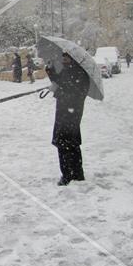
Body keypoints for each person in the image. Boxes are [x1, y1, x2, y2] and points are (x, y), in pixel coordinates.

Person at [45, 52, 90, 186]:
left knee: (66, 145)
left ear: (73, 59)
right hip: (65, 114)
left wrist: (57, 91)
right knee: (69, 144)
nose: (63, 60)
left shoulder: (79, 73)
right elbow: (60, 82)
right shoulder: (68, 70)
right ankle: (76, 174)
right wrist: (50, 70)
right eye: (63, 57)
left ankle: (69, 175)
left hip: (70, 115)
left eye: (66, 57)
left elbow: (76, 93)